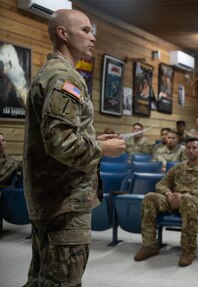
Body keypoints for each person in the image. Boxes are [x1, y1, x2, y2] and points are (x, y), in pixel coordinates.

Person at [23, 9, 126, 286]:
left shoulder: (50, 73)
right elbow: (60, 143)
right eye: (85, 30)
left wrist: (94, 141)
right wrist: (104, 150)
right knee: (62, 280)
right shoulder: (65, 78)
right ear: (63, 33)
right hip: (64, 200)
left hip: (52, 197)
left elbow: (60, 135)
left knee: (41, 277)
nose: (92, 38)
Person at [134, 138, 198, 266]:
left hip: (195, 203)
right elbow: (161, 184)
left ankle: (189, 250)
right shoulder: (178, 167)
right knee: (150, 197)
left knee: (187, 200)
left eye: (194, 148)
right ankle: (150, 245)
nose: (191, 150)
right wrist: (168, 194)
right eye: (188, 147)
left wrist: (186, 195)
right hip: (173, 200)